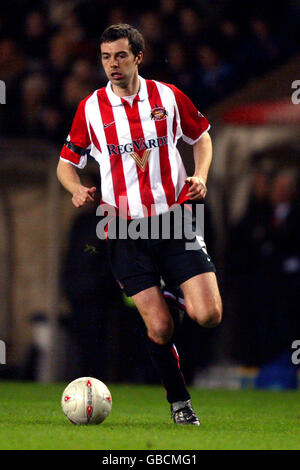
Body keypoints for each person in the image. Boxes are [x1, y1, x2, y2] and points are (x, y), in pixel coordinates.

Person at [57, 23, 222, 426]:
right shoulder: (91, 108)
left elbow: (201, 136)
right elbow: (66, 164)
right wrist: (75, 189)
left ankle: (176, 294)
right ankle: (180, 403)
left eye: (120, 56)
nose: (112, 64)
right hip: (125, 231)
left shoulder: (167, 96)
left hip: (174, 221)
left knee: (209, 315)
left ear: (138, 58)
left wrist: (200, 175)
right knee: (160, 328)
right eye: (106, 57)